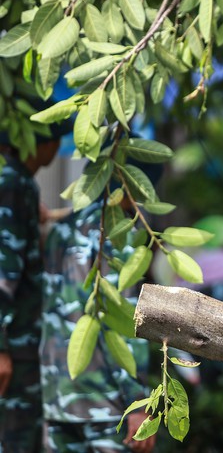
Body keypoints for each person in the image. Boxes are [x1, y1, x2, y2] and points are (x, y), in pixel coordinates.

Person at [39, 156, 161, 453]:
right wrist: (137, 402)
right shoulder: (121, 238)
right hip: (105, 402)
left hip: (58, 396)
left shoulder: (63, 228)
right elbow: (123, 323)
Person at [0, 101, 66, 452]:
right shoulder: (12, 183)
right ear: (41, 142)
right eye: (55, 138)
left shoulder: (18, 182)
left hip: (22, 343)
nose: (57, 148)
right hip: (14, 345)